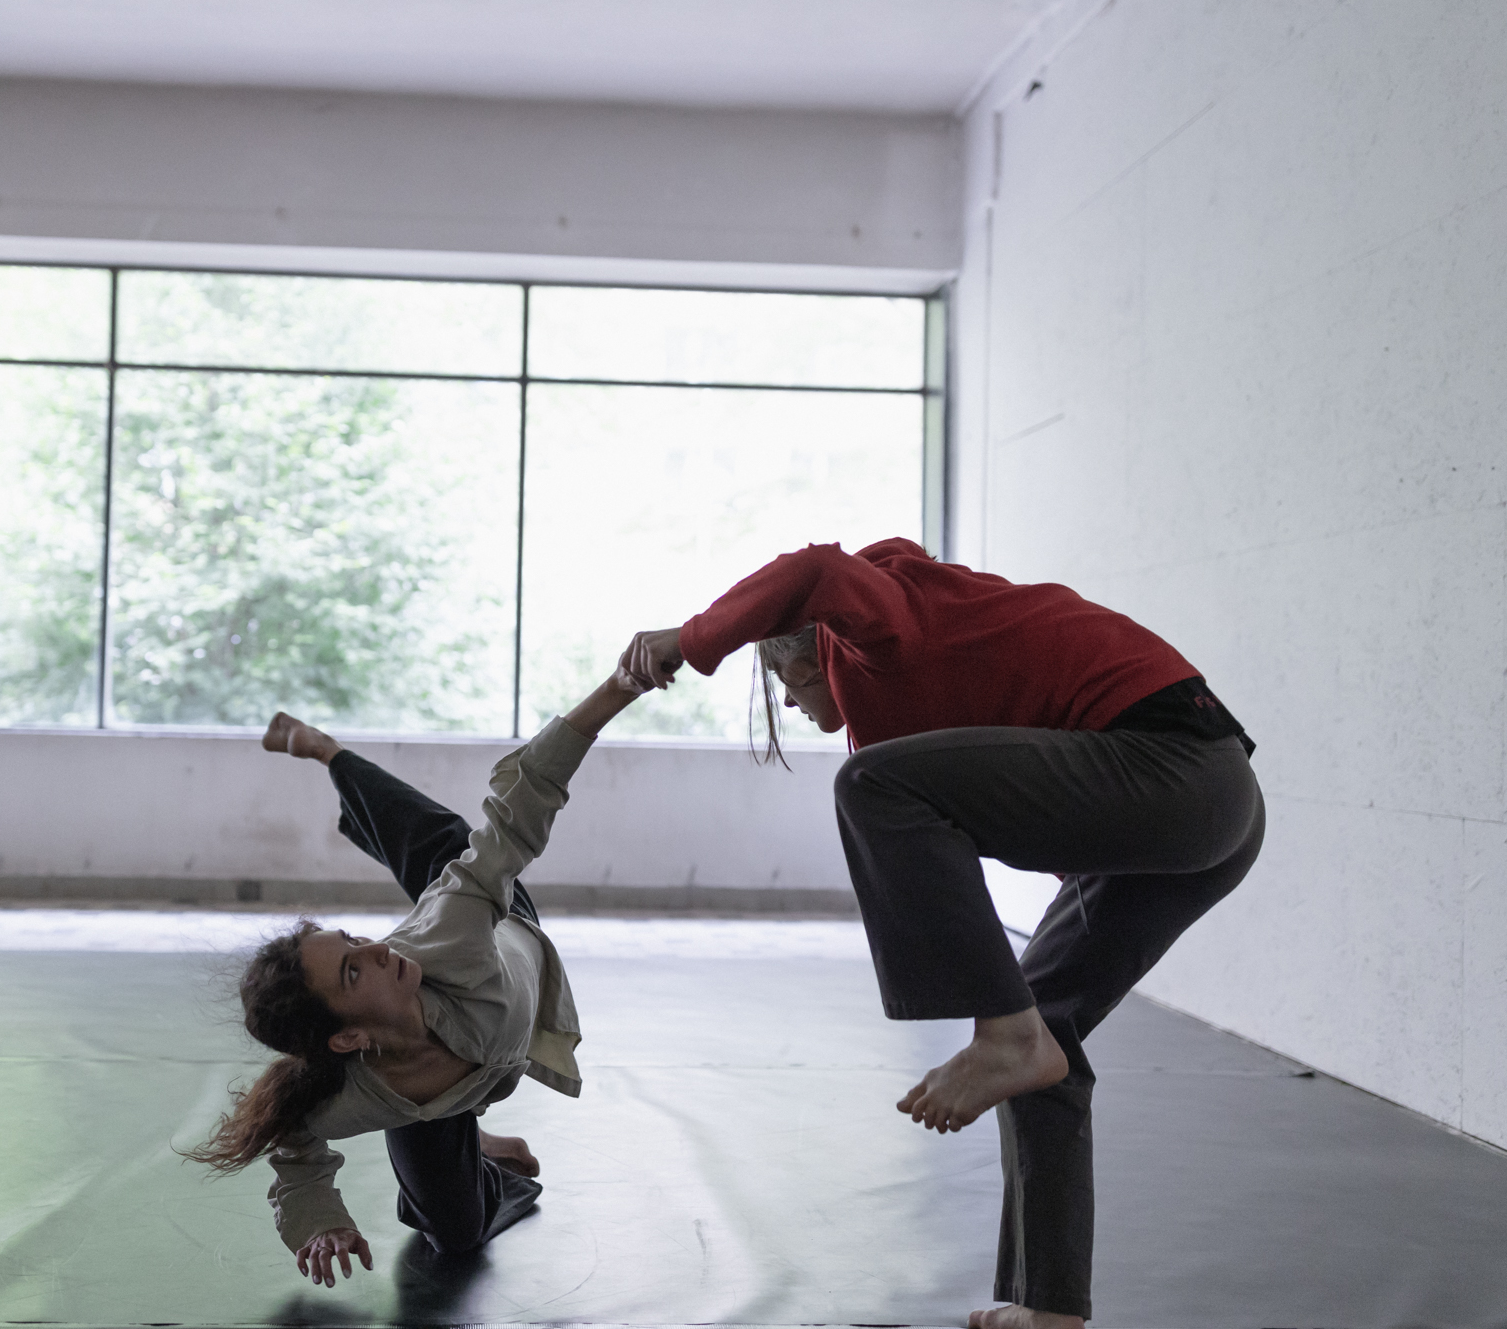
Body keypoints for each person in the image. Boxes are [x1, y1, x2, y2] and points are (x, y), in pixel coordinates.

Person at [621, 537, 1264, 1329]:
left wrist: (689, 640)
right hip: (1205, 808)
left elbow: (816, 570)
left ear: (816, 653)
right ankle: (1050, 1306)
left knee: (872, 787)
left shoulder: (883, 624)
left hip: (1180, 772)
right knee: (1044, 1027)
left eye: (785, 680)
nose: (787, 704)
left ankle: (1005, 1035)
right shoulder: (898, 701)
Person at [182, 667, 643, 1288]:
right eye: (351, 971)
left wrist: (618, 687)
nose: (375, 948)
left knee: (434, 842)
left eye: (352, 938)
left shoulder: (448, 933)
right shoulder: (347, 1094)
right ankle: (476, 1148)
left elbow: (520, 808)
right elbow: (295, 1152)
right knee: (455, 1235)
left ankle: (329, 752)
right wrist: (321, 1222)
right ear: (347, 1039)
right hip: (438, 1103)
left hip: (493, 927)